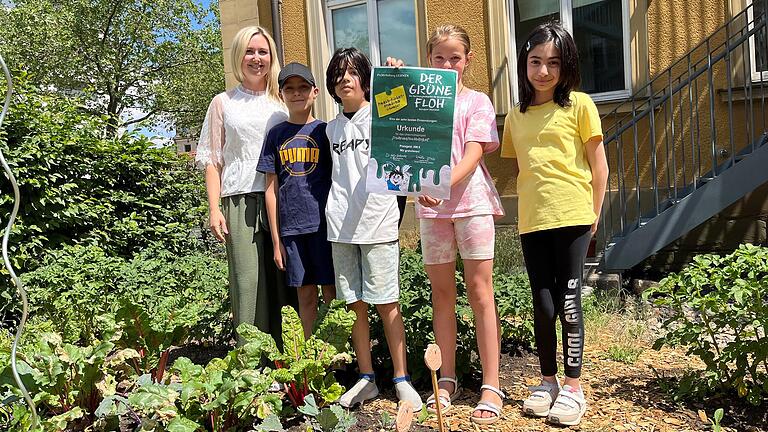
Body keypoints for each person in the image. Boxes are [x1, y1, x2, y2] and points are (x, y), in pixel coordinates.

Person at [500, 22, 609, 427]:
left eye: (553, 63)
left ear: (567, 67)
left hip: (574, 217)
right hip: (533, 222)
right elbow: (523, 170)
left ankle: (574, 387)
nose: (543, 71)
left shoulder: (580, 105)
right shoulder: (516, 115)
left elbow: (599, 166)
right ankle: (548, 383)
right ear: (524, 65)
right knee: (542, 306)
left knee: (569, 303)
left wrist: (594, 213)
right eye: (535, 62)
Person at [406, 24, 506, 425]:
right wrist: (395, 75)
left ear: (467, 61)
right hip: (432, 210)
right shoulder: (417, 102)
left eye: (455, 57)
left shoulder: (477, 102)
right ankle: (445, 379)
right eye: (438, 57)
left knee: (481, 293)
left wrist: (440, 182)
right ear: (428, 59)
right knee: (442, 295)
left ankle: (491, 384)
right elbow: (399, 139)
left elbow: (474, 152)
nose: (447, 64)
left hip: (472, 206)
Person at [323, 47, 422, 411]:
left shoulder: (382, 116)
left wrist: (397, 75)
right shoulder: (330, 128)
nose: (344, 79)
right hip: (341, 229)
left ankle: (401, 379)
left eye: (352, 72)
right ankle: (366, 378)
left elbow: (414, 119)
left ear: (365, 79)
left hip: (379, 224)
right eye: (338, 73)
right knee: (355, 307)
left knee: (388, 305)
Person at [196, 26, 297, 346]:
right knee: (248, 281)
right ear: (239, 56)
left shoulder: (283, 102)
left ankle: (288, 361)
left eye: (263, 52)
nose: (257, 58)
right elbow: (212, 159)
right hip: (240, 198)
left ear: (272, 57)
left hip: (283, 198)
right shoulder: (223, 102)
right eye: (250, 52)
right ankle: (252, 363)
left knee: (285, 279)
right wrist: (214, 209)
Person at [257, 62, 336, 338]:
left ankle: (336, 357)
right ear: (281, 94)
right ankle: (308, 360)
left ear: (315, 91)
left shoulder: (326, 132)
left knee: (332, 295)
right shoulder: (275, 135)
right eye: (289, 88)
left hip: (325, 228)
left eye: (303, 87)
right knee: (305, 297)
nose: (297, 93)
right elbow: (271, 189)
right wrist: (277, 242)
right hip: (292, 231)